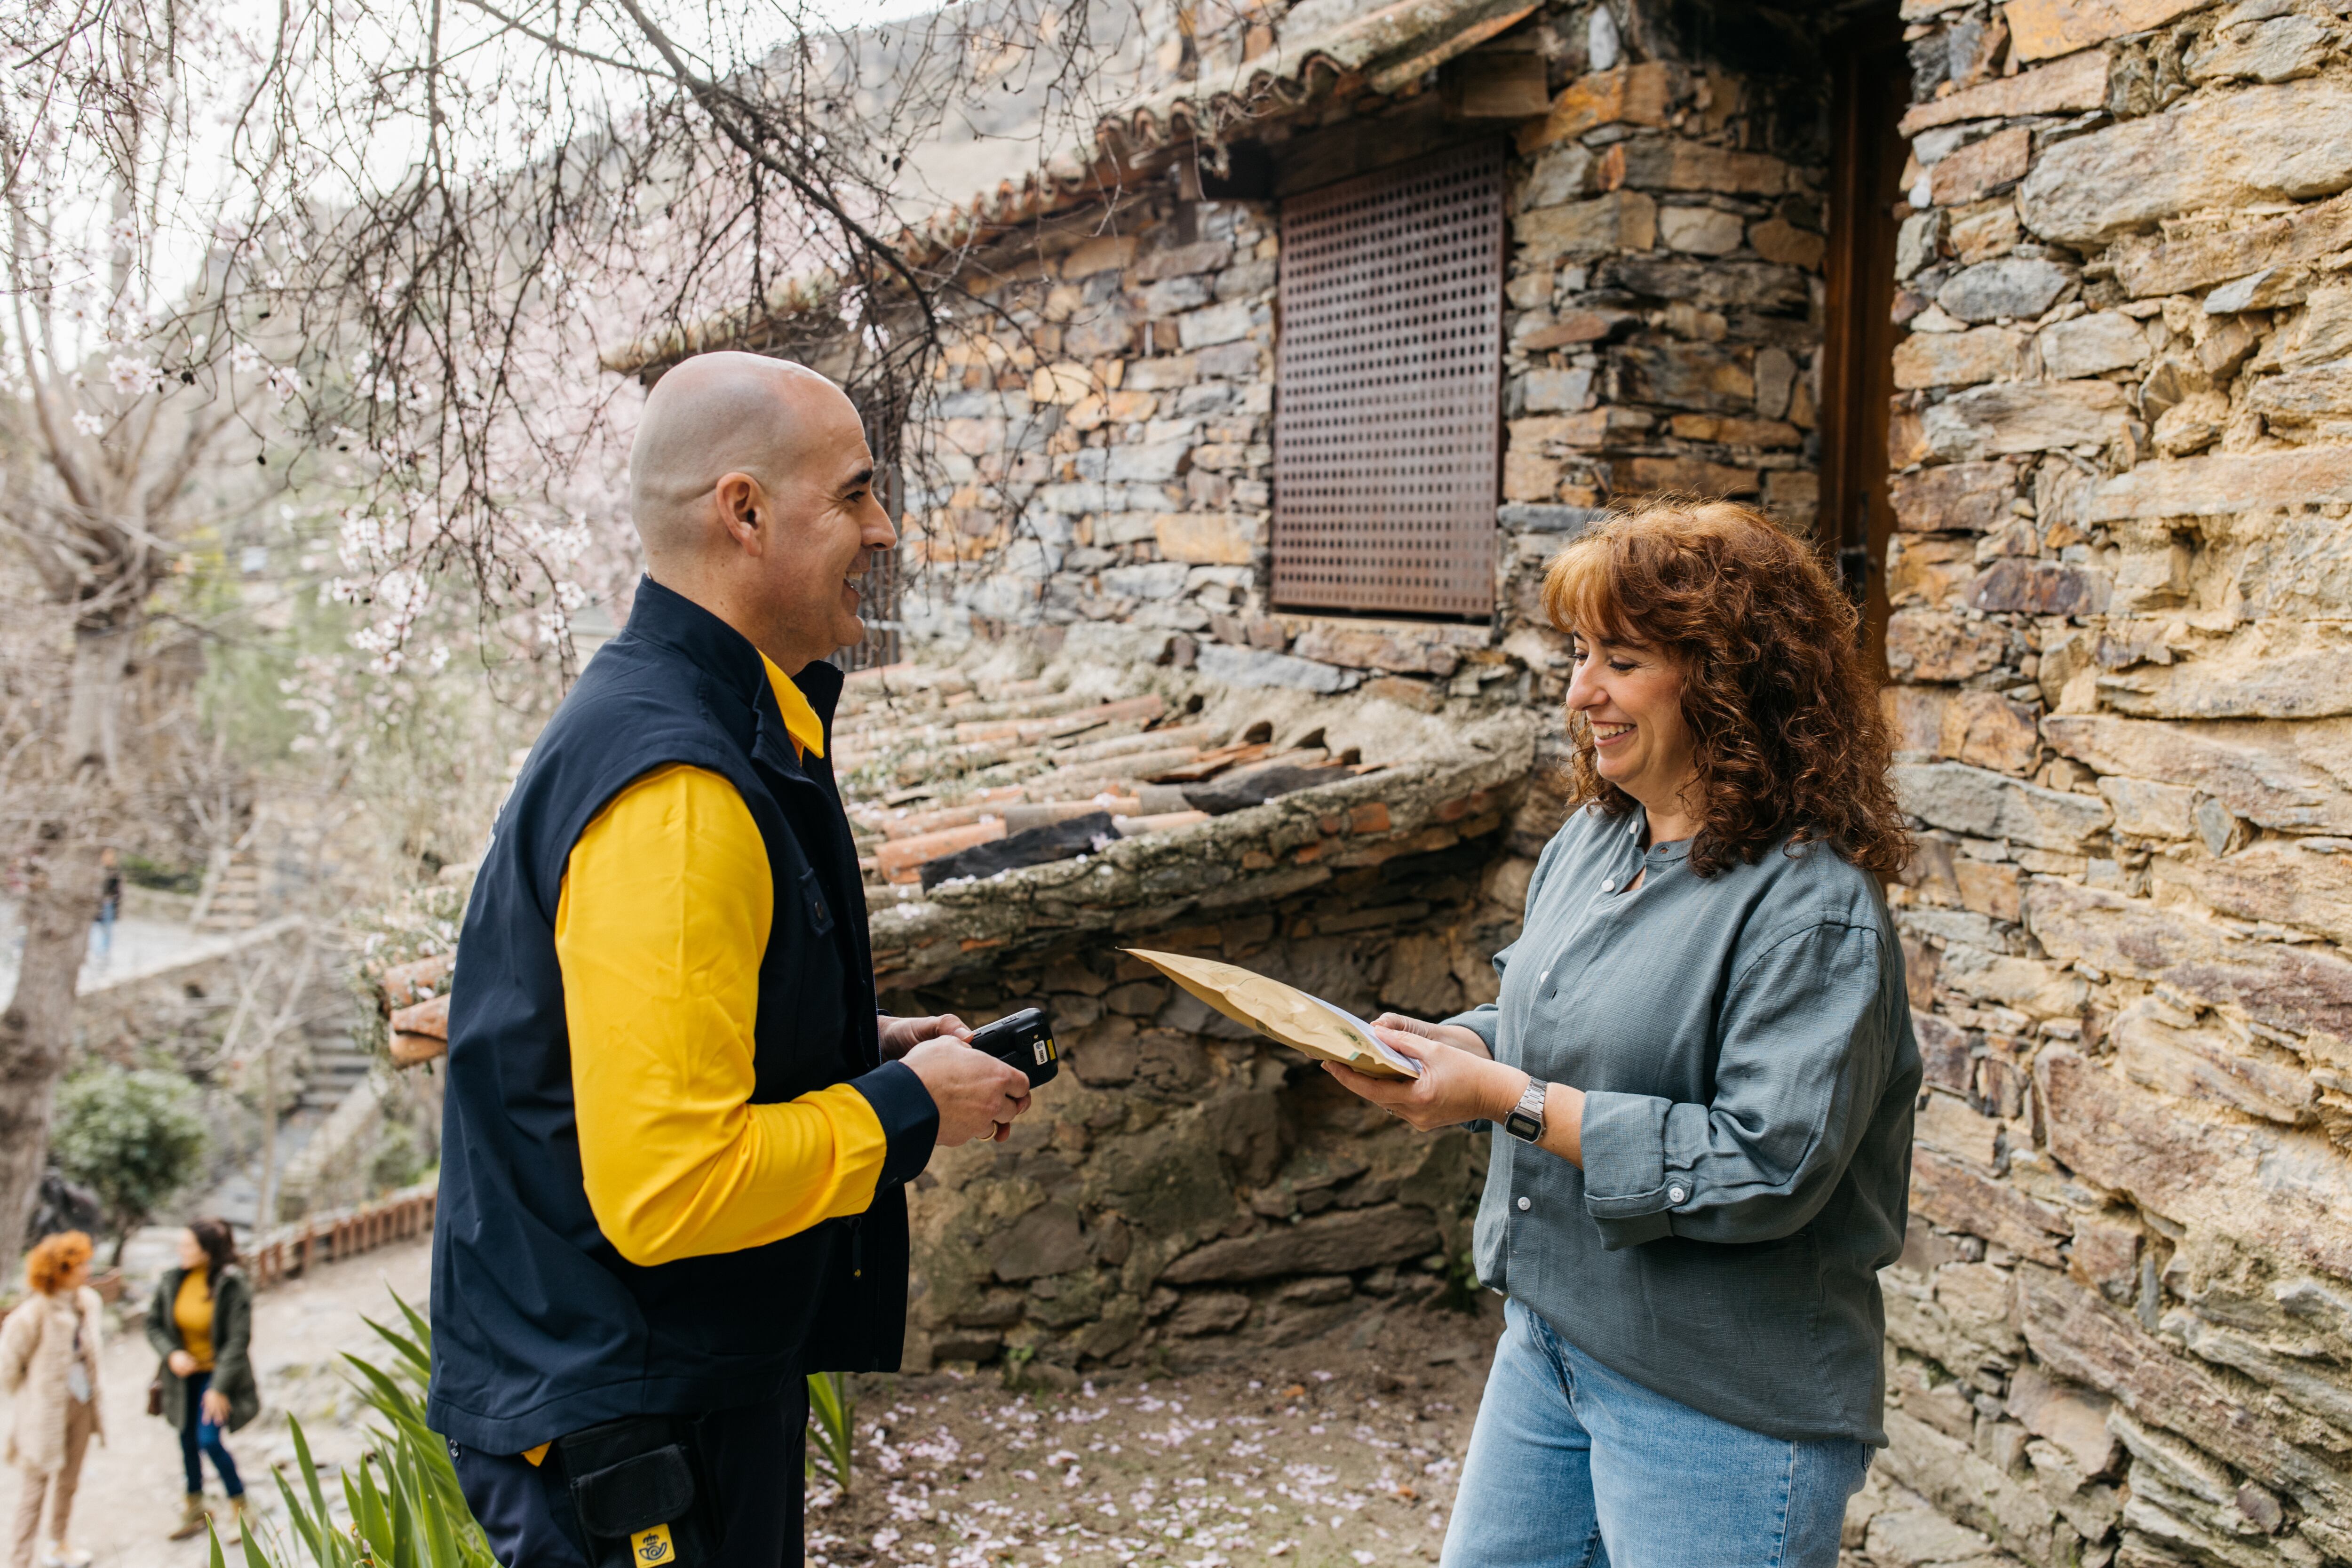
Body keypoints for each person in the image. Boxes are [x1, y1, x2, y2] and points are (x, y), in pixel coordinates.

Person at [429, 350, 1038, 1568]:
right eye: (858, 493)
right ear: (744, 512)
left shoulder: (717, 725)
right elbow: (667, 1187)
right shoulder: (677, 784)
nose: (887, 526)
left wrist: (859, 1051)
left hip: (661, 1393)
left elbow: (644, 1050)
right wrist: (905, 1111)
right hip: (632, 1431)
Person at [1326, 498, 1921, 1568]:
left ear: (1729, 682)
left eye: (1622, 658)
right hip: (1551, 1341)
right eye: (1578, 651)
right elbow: (1542, 1029)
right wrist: (1450, 1049)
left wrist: (1503, 1098)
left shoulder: (1810, 908)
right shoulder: (1595, 840)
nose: (1579, 690)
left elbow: (1765, 1166)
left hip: (1723, 1399)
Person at [145, 1219, 257, 1542]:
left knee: (208, 1438)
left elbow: (239, 1339)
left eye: (187, 1246)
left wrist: (219, 1387)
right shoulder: (173, 1279)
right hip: (182, 1376)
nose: (180, 1251)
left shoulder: (231, 1284)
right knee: (186, 1438)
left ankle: (241, 1504)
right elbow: (153, 1324)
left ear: (207, 1252)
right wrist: (171, 1354)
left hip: (217, 1374)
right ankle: (196, 1503)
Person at [1, 1232, 104, 1568]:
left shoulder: (87, 1302)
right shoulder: (33, 1314)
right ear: (60, 1269)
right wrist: (34, 1392)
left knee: (70, 1480)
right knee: (35, 1490)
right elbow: (7, 1366)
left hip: (82, 1403)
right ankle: (19, 1559)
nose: (87, 1269)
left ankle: (58, 1544)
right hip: (44, 1411)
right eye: (80, 1264)